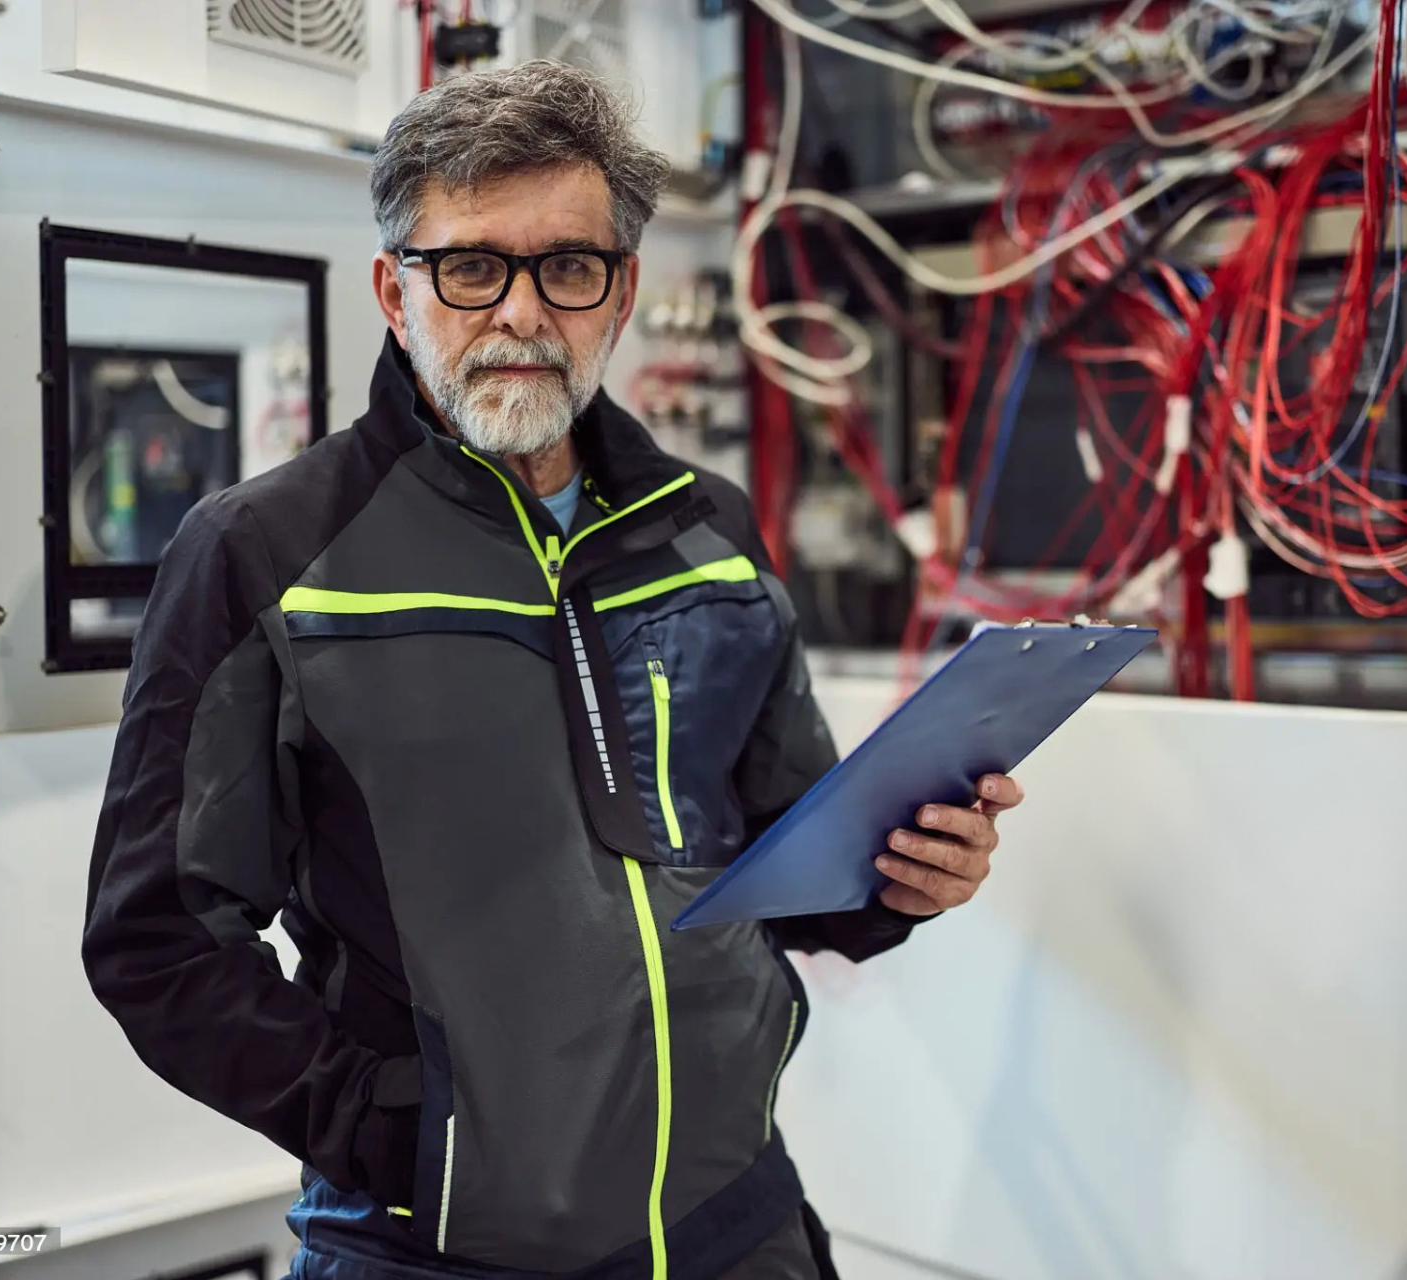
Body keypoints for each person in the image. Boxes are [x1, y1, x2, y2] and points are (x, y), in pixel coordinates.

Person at [81, 60, 1024, 1280]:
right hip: (436, 1247)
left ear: (621, 292)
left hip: (737, 1219)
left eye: (568, 267)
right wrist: (395, 1134)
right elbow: (156, 939)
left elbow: (790, 861)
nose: (521, 315)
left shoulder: (709, 529)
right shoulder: (266, 554)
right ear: (393, 287)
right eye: (472, 266)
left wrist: (902, 874)